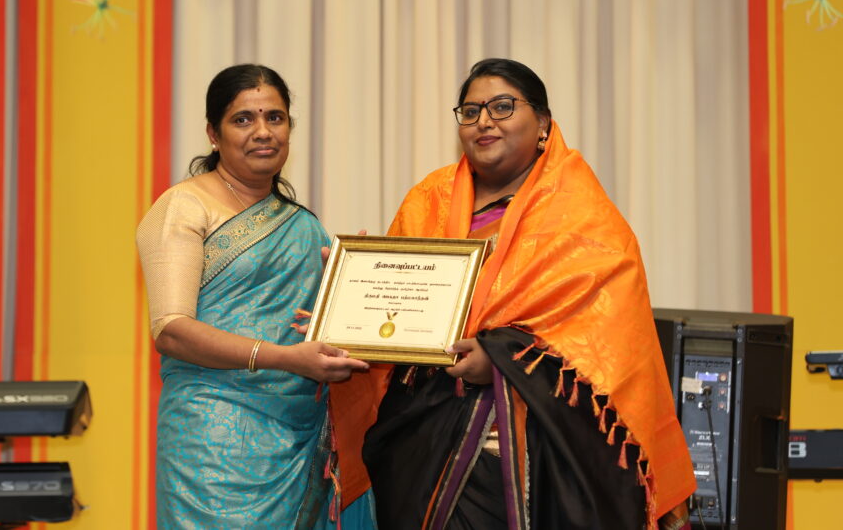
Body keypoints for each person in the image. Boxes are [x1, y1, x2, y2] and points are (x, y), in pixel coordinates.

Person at [332, 58, 696, 529]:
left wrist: (501, 360)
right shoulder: (429, 199)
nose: (484, 121)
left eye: (502, 107)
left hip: (535, 454)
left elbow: (609, 346)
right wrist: (348, 295)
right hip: (422, 440)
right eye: (471, 111)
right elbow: (396, 313)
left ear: (543, 123)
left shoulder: (583, 215)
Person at [137, 64, 376, 529]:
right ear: (213, 133)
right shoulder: (183, 206)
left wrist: (354, 287)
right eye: (243, 119)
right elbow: (171, 332)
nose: (263, 131)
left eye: (275, 117)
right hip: (212, 441)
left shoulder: (303, 226)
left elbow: (314, 328)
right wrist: (286, 358)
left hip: (298, 437)